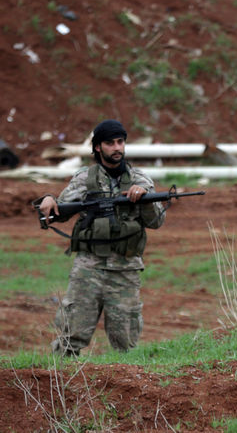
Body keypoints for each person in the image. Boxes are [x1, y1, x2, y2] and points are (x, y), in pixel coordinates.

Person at [34, 119, 165, 356]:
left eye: (120, 142)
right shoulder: (85, 178)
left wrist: (144, 198)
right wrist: (48, 199)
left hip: (125, 269)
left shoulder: (140, 179)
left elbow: (156, 221)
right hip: (88, 268)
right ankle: (59, 387)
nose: (117, 148)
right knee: (70, 336)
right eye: (110, 143)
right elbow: (59, 211)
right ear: (97, 147)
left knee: (126, 342)